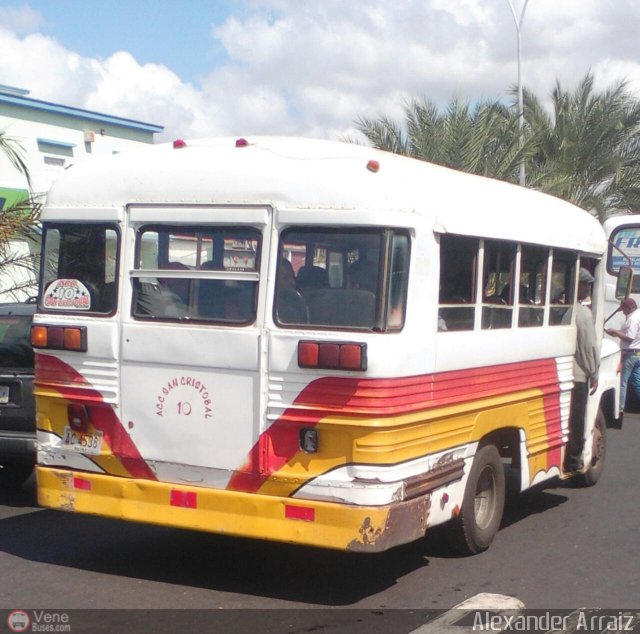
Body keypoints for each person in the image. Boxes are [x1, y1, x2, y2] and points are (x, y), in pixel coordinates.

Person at [564, 267, 600, 473]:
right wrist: (593, 372)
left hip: (560, 371)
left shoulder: (560, 307)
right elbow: (588, 347)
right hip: (578, 374)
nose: (588, 288)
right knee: (577, 420)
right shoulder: (583, 313)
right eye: (585, 284)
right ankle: (573, 460)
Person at [605, 297, 640, 414]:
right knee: (636, 382)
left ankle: (620, 408)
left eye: (624, 309)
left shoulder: (633, 319)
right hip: (637, 353)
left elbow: (630, 337)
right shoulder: (637, 315)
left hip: (630, 354)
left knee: (622, 382)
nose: (623, 311)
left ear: (629, 308)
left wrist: (615, 332)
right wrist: (616, 332)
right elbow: (625, 333)